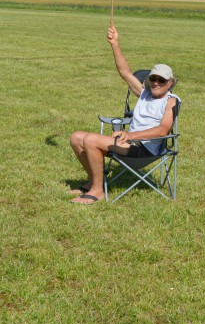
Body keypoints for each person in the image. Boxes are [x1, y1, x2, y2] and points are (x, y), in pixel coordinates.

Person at [68, 26, 178, 204]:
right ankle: (92, 183)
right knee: (76, 137)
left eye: (161, 80)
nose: (156, 83)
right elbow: (125, 73)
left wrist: (131, 135)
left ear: (170, 83)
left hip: (145, 148)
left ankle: (97, 192)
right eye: (153, 78)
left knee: (90, 140)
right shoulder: (144, 93)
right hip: (129, 143)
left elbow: (163, 130)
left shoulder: (171, 101)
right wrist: (115, 44)